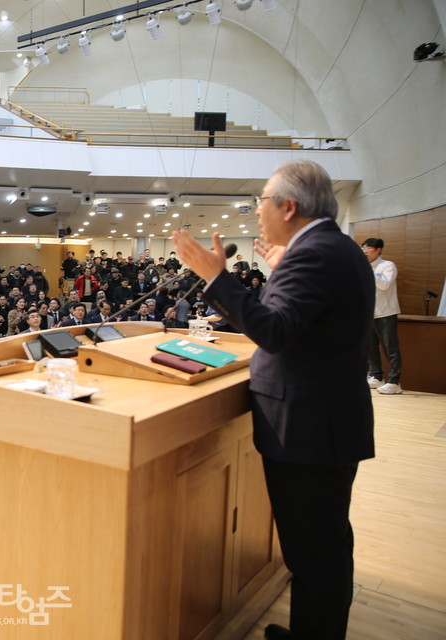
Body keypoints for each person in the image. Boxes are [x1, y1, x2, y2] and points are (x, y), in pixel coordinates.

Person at [172, 160, 374, 640]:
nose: (256, 210)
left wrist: (215, 277)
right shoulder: (331, 248)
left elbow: (276, 333)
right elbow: (303, 325)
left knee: (316, 553)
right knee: (319, 546)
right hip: (322, 420)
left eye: (261, 200)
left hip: (309, 427)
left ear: (288, 206)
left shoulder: (316, 255)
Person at [361, 238, 403, 395]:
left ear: (378, 250)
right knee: (371, 347)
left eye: (368, 248)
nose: (365, 251)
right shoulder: (363, 267)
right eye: (363, 248)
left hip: (386, 313)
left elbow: (384, 284)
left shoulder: (388, 265)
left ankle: (394, 382)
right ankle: (377, 376)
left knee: (390, 348)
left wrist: (368, 271)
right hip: (369, 313)